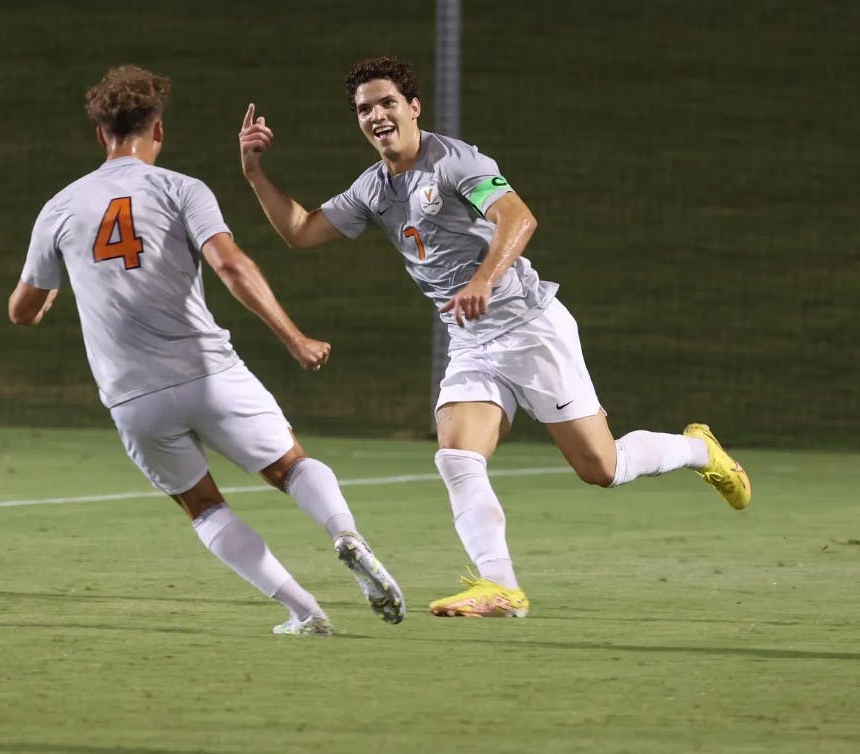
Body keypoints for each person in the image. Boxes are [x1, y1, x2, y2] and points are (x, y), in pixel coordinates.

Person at [238, 54, 751, 619]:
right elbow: (301, 230)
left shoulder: (455, 161)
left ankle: (699, 449)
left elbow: (519, 218)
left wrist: (483, 279)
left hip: (531, 329)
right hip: (471, 341)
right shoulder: (373, 189)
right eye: (365, 109)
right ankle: (500, 586)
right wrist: (255, 174)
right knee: (457, 456)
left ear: (413, 107)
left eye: (387, 103)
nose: (377, 115)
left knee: (601, 469)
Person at [7, 65, 405, 636]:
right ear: (158, 130)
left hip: (134, 397)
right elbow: (231, 266)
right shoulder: (181, 188)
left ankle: (304, 611)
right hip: (210, 375)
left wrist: (45, 297)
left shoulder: (60, 207)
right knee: (291, 466)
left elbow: (22, 309)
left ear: (100, 135)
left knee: (203, 507)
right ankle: (346, 534)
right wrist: (294, 338)